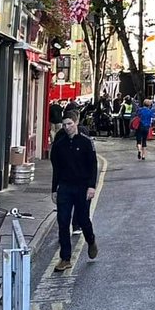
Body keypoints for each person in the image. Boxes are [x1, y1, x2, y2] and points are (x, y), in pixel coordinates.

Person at [50, 108, 98, 273]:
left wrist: (92, 186)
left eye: (70, 124)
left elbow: (93, 166)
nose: (67, 127)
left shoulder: (85, 142)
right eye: (64, 125)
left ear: (76, 123)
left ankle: (91, 240)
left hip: (82, 187)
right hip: (65, 186)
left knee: (83, 219)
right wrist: (54, 189)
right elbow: (56, 167)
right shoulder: (59, 144)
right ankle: (65, 258)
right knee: (63, 222)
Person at [134, 96, 155, 160]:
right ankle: (143, 156)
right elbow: (154, 116)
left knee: (139, 140)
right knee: (144, 141)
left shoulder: (140, 110)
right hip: (147, 127)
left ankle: (139, 150)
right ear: (149, 105)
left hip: (140, 126)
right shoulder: (150, 111)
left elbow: (136, 115)